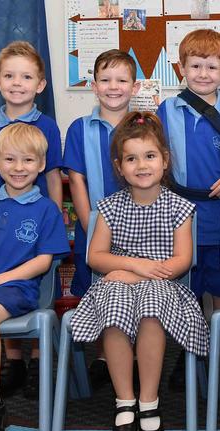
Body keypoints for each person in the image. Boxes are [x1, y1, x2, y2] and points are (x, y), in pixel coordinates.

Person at [70, 112, 208, 431]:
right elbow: (96, 256)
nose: (141, 165)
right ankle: (125, 402)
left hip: (165, 286)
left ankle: (149, 403)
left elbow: (181, 261)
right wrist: (133, 267)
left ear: (165, 161)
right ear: (119, 166)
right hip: (116, 283)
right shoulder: (109, 207)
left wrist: (139, 273)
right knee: (115, 308)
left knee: (151, 309)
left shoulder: (180, 207)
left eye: (149, 157)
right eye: (131, 158)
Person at [0, 40, 63, 400]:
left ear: (39, 84)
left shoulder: (47, 126)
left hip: (33, 218)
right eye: (9, 75)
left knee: (16, 291)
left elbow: (53, 176)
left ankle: (36, 363)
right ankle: (13, 362)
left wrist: (50, 218)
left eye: (25, 76)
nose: (17, 83)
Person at [0, 123, 70, 431]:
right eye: (10, 159)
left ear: (41, 165)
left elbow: (42, 262)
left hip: (18, 289)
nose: (18, 167)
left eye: (27, 160)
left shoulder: (46, 209)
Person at [157, 29, 220, 388]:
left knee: (219, 282)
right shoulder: (167, 109)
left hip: (219, 213)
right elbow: (160, 160)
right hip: (179, 213)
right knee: (187, 285)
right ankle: (189, 350)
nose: (203, 73)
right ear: (181, 68)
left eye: (212, 66)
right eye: (195, 66)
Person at [63, 49, 141, 389]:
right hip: (93, 229)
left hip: (139, 230)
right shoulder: (80, 129)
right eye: (105, 80)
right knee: (96, 290)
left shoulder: (144, 125)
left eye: (122, 80)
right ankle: (104, 355)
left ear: (134, 87)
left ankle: (135, 356)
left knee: (136, 290)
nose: (114, 87)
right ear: (94, 87)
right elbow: (76, 179)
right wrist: (87, 224)